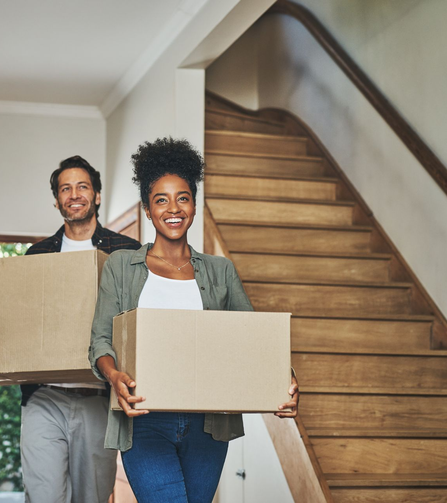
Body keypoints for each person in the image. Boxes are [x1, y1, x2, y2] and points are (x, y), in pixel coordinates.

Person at [88, 138, 299, 503]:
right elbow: (100, 341)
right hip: (144, 419)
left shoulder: (221, 271)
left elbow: (252, 339)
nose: (173, 208)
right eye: (161, 199)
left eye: (183, 197)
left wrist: (285, 377)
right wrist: (114, 375)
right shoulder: (121, 267)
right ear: (147, 210)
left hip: (209, 424)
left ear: (195, 205)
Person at [0, 155, 141, 503]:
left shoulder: (127, 252)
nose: (74, 194)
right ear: (57, 200)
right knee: (43, 495)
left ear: (97, 195)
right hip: (44, 398)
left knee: (92, 497)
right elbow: (19, 325)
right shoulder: (37, 254)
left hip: (97, 398)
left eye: (82, 186)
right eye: (65, 188)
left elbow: (137, 323)